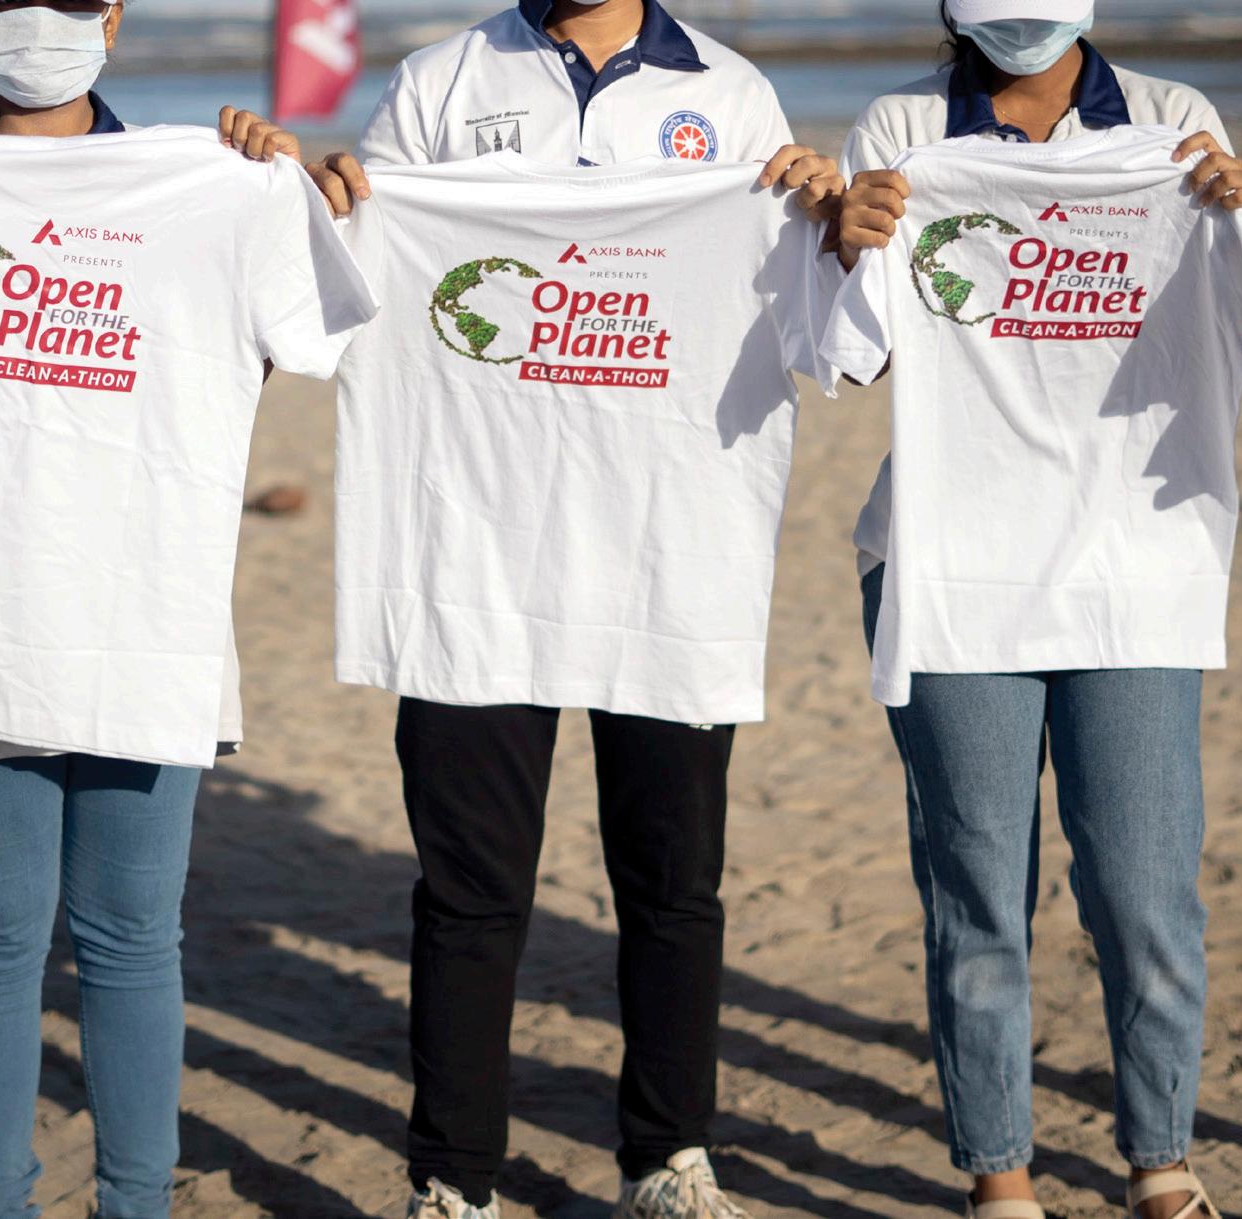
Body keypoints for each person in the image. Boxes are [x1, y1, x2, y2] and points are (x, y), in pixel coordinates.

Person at [225, 3, 841, 1216]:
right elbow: (341, 293)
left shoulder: (730, 97)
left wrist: (824, 228)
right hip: (473, 555)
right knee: (469, 890)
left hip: (669, 558)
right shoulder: (439, 82)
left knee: (673, 883)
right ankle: (455, 1178)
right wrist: (323, 208)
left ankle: (668, 1157)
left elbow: (824, 334)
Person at [0, 4, 359, 1218]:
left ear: (113, 13)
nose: (39, 16)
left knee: (131, 938)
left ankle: (136, 1204)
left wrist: (278, 197)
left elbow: (258, 354)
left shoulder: (212, 183)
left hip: (144, 612)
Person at [830, 2, 1242, 1217]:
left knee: (1143, 886)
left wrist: (1239, 231)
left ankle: (1161, 1161)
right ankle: (1001, 1175)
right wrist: (844, 243)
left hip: (1134, 563)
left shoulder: (1175, 123)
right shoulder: (904, 129)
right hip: (949, 564)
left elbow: (1232, 344)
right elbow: (866, 356)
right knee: (976, 890)